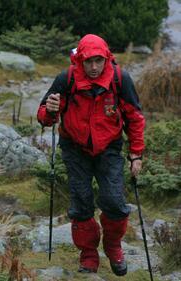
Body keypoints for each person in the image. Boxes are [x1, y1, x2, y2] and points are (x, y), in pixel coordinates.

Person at [37, 34, 145, 276]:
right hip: (75, 149)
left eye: (98, 61)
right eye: (88, 62)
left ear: (106, 58)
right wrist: (50, 112)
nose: (94, 67)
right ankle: (88, 254)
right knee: (81, 203)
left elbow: (134, 118)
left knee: (115, 202)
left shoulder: (120, 79)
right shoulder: (66, 79)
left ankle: (113, 246)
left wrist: (136, 154)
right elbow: (44, 116)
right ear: (80, 61)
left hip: (109, 148)